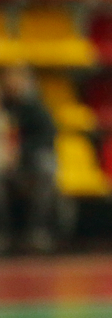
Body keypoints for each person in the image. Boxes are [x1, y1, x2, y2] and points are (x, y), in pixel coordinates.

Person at [0, 64, 58, 254]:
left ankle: (36, 232)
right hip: (4, 166)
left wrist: (20, 152)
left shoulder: (35, 109)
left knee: (46, 169)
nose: (13, 83)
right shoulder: (3, 107)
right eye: (9, 78)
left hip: (27, 166)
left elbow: (47, 137)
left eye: (18, 79)